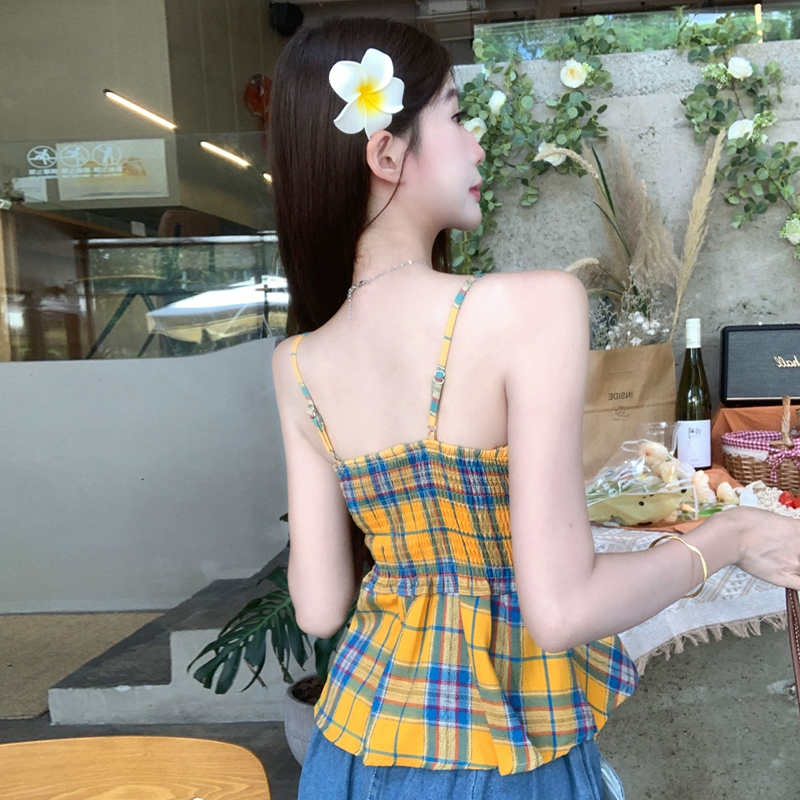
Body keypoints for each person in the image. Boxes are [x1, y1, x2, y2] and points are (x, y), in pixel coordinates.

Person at [269, 16, 800, 800]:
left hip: (351, 749)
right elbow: (561, 610)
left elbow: (318, 608)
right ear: (385, 154)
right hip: (505, 756)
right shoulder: (534, 306)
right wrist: (735, 533)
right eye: (456, 116)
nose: (478, 146)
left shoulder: (297, 363)